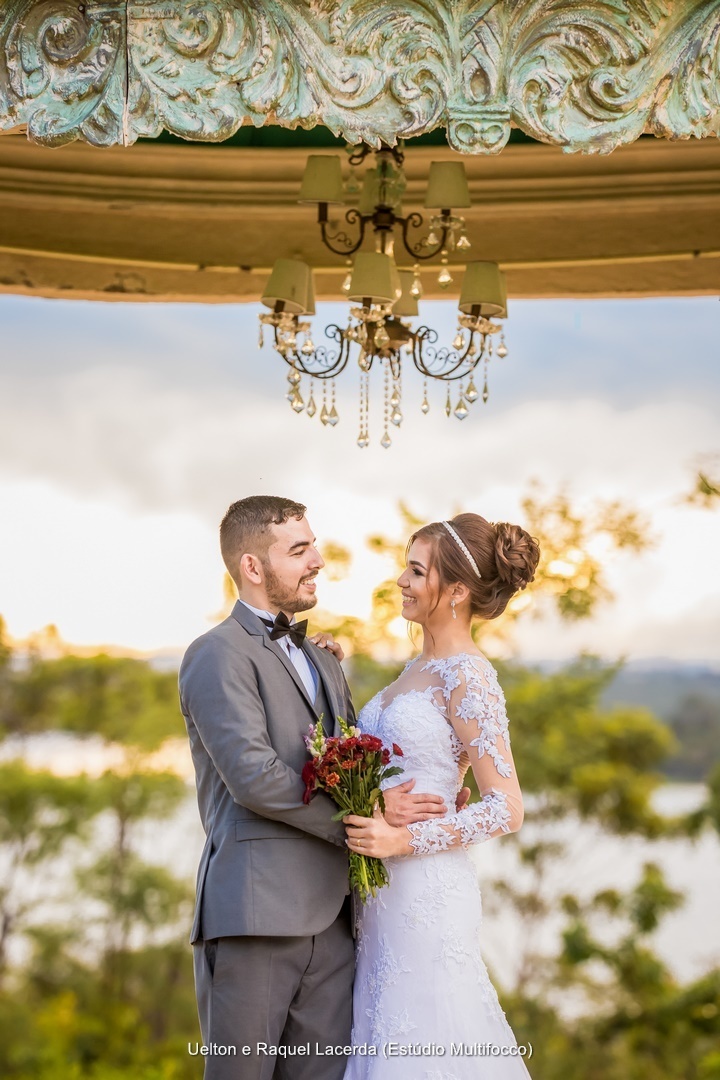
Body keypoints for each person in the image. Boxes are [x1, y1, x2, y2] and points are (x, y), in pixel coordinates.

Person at [179, 495, 456, 1080]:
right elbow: (253, 776)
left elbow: (350, 756)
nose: (318, 561)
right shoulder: (214, 655)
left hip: (337, 923)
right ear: (253, 567)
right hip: (256, 916)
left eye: (314, 545)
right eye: (299, 550)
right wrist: (367, 814)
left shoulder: (323, 658)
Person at [343, 513, 540, 1078]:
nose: (401, 581)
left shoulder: (468, 677)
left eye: (415, 570)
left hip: (424, 888)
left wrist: (403, 839)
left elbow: (507, 806)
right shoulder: (415, 669)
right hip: (378, 896)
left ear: (456, 590)